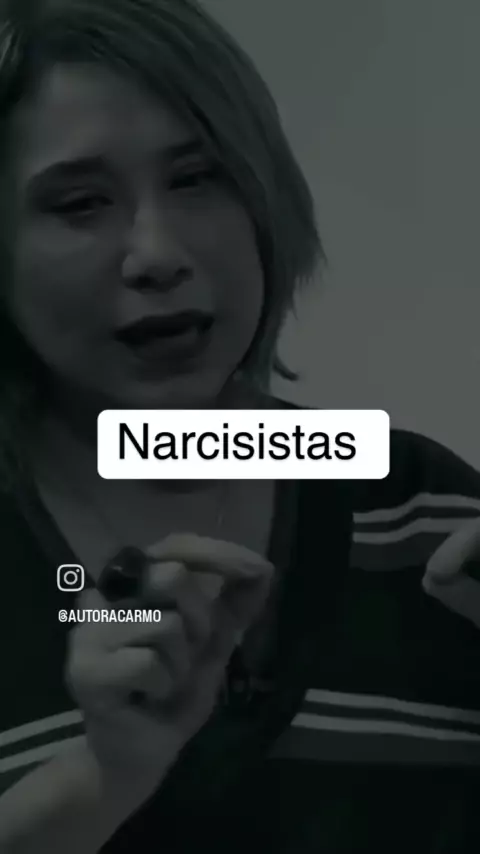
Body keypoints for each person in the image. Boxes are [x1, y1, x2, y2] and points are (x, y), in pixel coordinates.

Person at [0, 0, 479, 851]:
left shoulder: (422, 516)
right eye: (80, 203)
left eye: (197, 179)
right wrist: (99, 780)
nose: (158, 254)